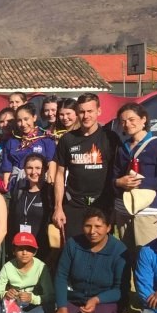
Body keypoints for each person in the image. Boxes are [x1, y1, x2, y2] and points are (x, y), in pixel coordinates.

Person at [48, 208, 128, 313]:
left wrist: (97, 299)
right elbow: (61, 276)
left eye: (98, 226)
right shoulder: (72, 244)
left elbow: (121, 289)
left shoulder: (119, 250)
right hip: (77, 299)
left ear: (108, 228)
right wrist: (62, 308)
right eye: (87, 226)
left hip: (105, 302)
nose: (92, 231)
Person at [53, 93, 120, 239]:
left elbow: (118, 171)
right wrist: (58, 207)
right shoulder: (68, 139)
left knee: (101, 248)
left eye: (90, 111)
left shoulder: (110, 138)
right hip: (74, 204)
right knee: (74, 247)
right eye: (82, 111)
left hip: (102, 203)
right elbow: (59, 174)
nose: (86, 116)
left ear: (99, 111)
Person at [113, 102, 157, 258]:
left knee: (147, 257)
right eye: (123, 121)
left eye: (132, 119)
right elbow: (115, 176)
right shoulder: (122, 148)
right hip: (123, 209)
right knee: (126, 257)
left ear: (143, 119)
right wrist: (119, 182)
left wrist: (138, 182)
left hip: (147, 210)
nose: (127, 124)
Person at [0, 232, 49, 313]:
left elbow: (50, 295)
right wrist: (5, 294)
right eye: (20, 249)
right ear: (14, 251)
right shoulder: (7, 267)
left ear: (35, 252)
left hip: (32, 305)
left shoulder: (41, 267)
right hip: (12, 304)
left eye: (29, 249)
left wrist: (32, 298)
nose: (24, 253)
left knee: (49, 308)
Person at [2, 104, 57, 192]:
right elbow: (7, 169)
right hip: (16, 185)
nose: (23, 124)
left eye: (26, 119)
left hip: (39, 185)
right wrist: (6, 188)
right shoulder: (12, 141)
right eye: (19, 120)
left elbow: (51, 164)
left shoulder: (45, 139)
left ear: (34, 118)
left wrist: (50, 185)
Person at [7, 154, 51, 261]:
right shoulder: (19, 190)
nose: (33, 172)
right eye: (29, 168)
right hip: (20, 248)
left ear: (44, 170)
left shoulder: (50, 193)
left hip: (41, 250)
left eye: (38, 168)